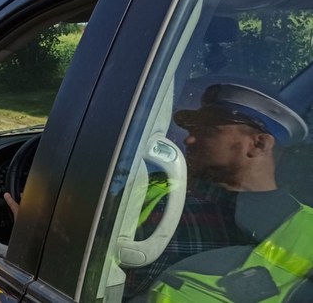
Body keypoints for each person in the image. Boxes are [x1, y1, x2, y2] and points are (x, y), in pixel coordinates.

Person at [123, 83, 311, 300]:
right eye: (193, 130)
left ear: (259, 144)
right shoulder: (166, 206)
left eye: (209, 131)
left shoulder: (170, 209)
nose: (189, 139)